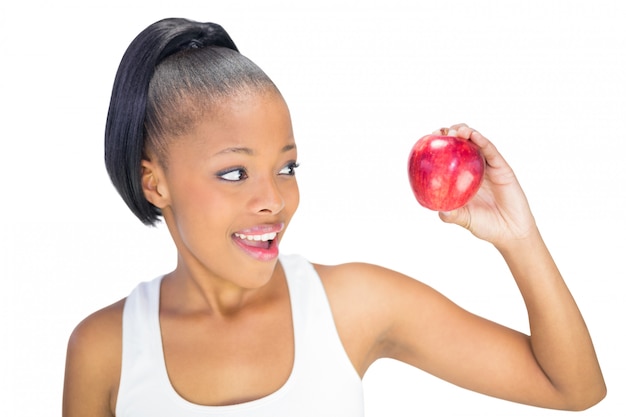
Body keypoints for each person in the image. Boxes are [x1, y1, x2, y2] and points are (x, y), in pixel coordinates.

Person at [62, 17, 606, 416]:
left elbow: (573, 388)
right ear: (154, 182)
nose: (273, 200)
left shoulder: (353, 305)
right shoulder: (105, 349)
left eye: (287, 167)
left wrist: (520, 238)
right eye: (234, 173)